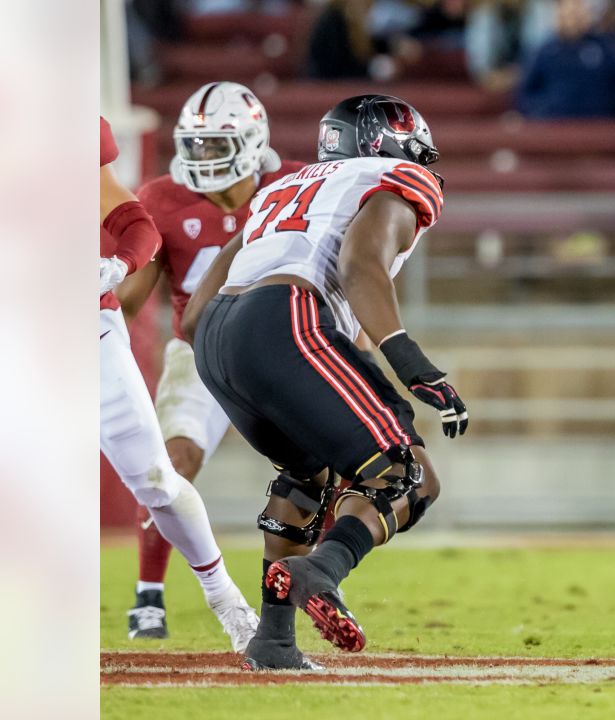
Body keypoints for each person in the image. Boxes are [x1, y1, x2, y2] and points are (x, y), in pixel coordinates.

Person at [183, 95, 469, 670]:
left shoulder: (277, 189)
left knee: (307, 476)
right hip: (284, 317)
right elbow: (359, 266)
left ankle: (274, 639)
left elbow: (192, 317)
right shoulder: (396, 177)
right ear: (388, 143)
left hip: (216, 341)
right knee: (409, 475)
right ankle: (321, 570)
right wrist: (412, 363)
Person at [113, 82, 307, 641]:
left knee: (319, 470)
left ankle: (311, 588)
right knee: (170, 463)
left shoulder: (297, 185)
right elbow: (132, 298)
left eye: (213, 145)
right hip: (199, 350)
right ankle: (149, 593)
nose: (199, 158)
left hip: (286, 348)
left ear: (250, 142)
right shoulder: (161, 197)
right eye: (192, 145)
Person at [99, 116, 259, 654]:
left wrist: (117, 266)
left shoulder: (68, 128)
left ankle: (230, 604)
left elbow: (134, 224)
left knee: (158, 478)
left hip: (86, 329)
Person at [515, 0, 615, 119]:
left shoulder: (606, 48)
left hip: (599, 127)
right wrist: (544, 110)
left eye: (578, 10)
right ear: (558, 14)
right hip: (555, 128)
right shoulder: (544, 51)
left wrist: (607, 107)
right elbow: (525, 94)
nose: (573, 17)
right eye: (568, 12)